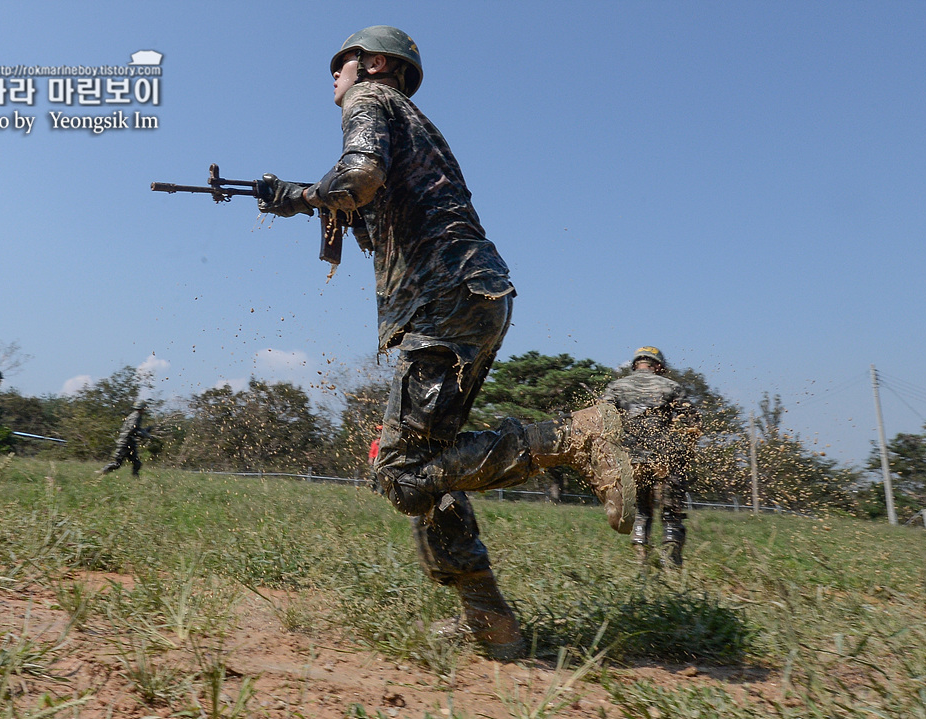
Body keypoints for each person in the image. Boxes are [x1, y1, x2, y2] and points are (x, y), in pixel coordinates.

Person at [255, 26, 634, 660]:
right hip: (470, 293)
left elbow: (360, 173)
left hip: (443, 299)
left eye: (341, 63)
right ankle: (488, 618)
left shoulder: (368, 103)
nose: (334, 76)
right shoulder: (416, 124)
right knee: (431, 465)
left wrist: (310, 195)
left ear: (375, 64)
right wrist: (298, 198)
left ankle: (571, 438)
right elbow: (372, 197)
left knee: (402, 474)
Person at [601, 347, 700, 567]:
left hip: (632, 458)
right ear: (658, 366)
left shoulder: (617, 387)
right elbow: (691, 420)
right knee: (672, 511)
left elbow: (603, 420)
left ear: (636, 365)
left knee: (641, 511)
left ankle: (640, 560)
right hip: (669, 457)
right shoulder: (672, 386)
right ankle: (671, 560)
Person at [98, 400, 153, 477]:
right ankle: (101, 473)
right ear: (141, 408)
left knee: (137, 463)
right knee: (117, 463)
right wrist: (145, 435)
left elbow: (136, 429)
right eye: (144, 408)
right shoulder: (135, 416)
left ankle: (135, 479)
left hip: (130, 444)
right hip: (125, 443)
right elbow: (132, 430)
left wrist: (147, 431)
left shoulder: (137, 416)